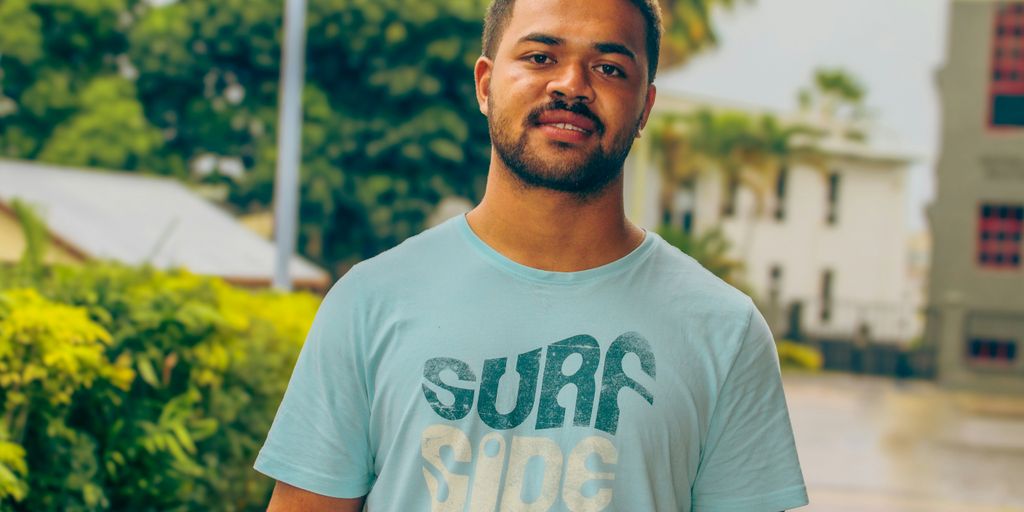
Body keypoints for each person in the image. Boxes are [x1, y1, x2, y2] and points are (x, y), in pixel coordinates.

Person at [255, 0, 809, 509]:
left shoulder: (725, 331)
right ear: (485, 84)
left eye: (610, 68)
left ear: (645, 108)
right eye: (541, 56)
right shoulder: (369, 301)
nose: (572, 85)